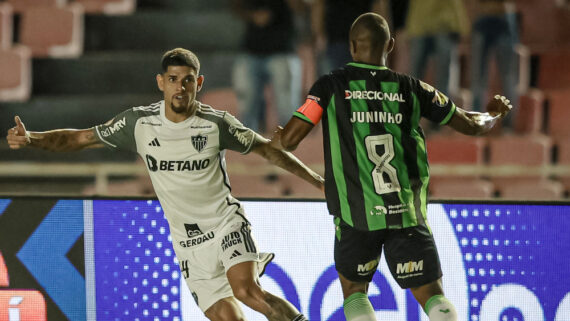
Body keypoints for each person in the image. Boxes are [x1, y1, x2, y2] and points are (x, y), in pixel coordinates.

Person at [6, 48, 323, 321]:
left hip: (225, 224)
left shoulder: (216, 123)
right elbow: (79, 138)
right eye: (173, 80)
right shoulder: (139, 124)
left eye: (187, 80)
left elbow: (269, 150)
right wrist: (33, 138)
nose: (180, 87)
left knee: (247, 290)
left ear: (198, 84)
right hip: (188, 245)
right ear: (161, 83)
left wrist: (318, 181)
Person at [270, 13, 512, 321]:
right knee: (433, 297)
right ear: (391, 46)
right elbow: (471, 124)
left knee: (355, 294)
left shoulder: (329, 86)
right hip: (404, 214)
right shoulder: (413, 88)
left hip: (355, 213)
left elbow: (290, 140)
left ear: (351, 46)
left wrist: (281, 136)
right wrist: (493, 114)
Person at [230, 0, 304, 133]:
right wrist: (252, 14)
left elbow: (300, 7)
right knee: (247, 108)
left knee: (286, 107)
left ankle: (289, 145)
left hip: (282, 50)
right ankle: (249, 146)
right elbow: (235, 6)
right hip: (252, 49)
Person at [470, 0, 519, 129]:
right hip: (482, 18)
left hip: (503, 17)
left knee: (507, 76)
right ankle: (477, 124)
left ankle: (508, 125)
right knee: (478, 76)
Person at [405, 0, 470, 98]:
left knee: (443, 76)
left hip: (443, 27)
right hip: (420, 27)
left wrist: (461, 25)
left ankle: (443, 107)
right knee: (415, 74)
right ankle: (412, 105)